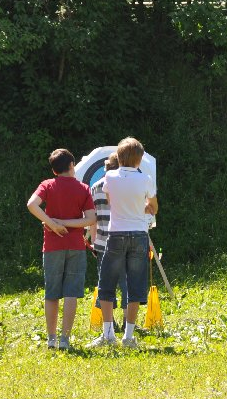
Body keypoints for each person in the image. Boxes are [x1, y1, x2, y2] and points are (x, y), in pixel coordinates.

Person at [89, 137, 158, 349]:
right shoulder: (146, 179)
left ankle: (108, 334)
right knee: (135, 284)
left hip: (116, 233)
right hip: (138, 234)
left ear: (119, 157)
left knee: (107, 282)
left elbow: (112, 203)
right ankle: (128, 336)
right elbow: (153, 208)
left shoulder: (110, 177)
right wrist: (141, 207)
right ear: (139, 159)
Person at [27, 148, 97, 350]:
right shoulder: (83, 188)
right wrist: (64, 223)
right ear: (72, 165)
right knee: (71, 293)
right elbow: (91, 219)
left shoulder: (47, 185)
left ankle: (51, 339)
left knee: (52, 293)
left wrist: (53, 223)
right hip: (75, 246)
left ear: (54, 170)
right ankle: (64, 339)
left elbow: (32, 204)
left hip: (52, 246)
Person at [87, 152, 128, 330]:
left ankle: (110, 324)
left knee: (106, 284)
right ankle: (128, 322)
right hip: (125, 240)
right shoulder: (126, 185)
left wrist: (94, 242)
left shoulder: (95, 187)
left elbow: (92, 219)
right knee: (127, 282)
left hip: (103, 241)